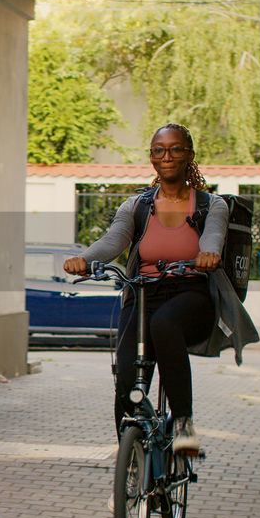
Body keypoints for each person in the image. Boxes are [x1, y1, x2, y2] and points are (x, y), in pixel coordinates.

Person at [62, 123, 225, 454]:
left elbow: (213, 237)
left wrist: (209, 255)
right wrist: (84, 259)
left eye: (176, 149)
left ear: (189, 155)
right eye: (159, 150)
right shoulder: (137, 206)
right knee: (125, 381)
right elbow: (115, 239)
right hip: (142, 293)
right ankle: (131, 467)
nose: (167, 156)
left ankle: (183, 424)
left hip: (190, 294)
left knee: (164, 325)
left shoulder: (211, 205)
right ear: (151, 157)